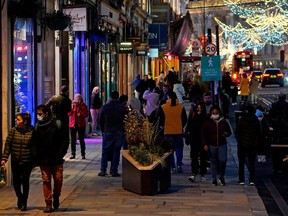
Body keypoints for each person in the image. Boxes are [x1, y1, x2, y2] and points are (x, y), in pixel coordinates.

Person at [33, 104, 68, 213]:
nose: (38, 116)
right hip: (43, 159)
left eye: (40, 114)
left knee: (58, 180)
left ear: (46, 114)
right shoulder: (38, 126)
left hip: (56, 158)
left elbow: (65, 140)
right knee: (46, 180)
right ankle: (48, 203)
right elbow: (34, 142)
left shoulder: (57, 124)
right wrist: (37, 155)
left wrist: (60, 154)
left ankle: (56, 195)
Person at [1, 113, 34, 211]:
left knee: (25, 181)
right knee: (16, 182)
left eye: (18, 119)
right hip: (15, 161)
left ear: (25, 121)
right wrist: (4, 158)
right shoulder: (13, 131)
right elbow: (8, 145)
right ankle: (19, 196)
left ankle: (24, 202)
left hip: (27, 161)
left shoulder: (32, 131)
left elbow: (35, 147)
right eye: (16, 119)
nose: (16, 121)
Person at [98, 91, 127, 177]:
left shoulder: (105, 107)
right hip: (118, 131)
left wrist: (103, 129)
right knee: (116, 151)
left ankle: (103, 170)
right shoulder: (122, 108)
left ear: (110, 97)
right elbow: (125, 120)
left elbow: (100, 120)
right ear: (118, 97)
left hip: (108, 131)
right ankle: (114, 170)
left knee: (105, 151)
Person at [201, 105, 231, 186]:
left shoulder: (224, 122)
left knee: (223, 160)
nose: (215, 114)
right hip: (211, 145)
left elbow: (229, 132)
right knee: (213, 162)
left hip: (222, 144)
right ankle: (214, 179)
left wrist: (226, 133)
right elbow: (203, 134)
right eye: (213, 113)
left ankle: (221, 176)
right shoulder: (207, 122)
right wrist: (205, 144)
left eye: (216, 113)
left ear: (219, 113)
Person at [159, 91, 187, 173]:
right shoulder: (181, 107)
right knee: (179, 148)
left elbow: (161, 119)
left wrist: (163, 126)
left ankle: (173, 167)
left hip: (167, 131)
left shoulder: (163, 107)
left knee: (170, 150)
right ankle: (179, 165)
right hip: (178, 131)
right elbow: (184, 119)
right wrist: (181, 126)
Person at [235, 104, 260, 186]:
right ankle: (251, 180)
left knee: (241, 162)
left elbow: (237, 131)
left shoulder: (242, 120)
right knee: (252, 163)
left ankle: (241, 179)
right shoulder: (256, 120)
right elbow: (259, 132)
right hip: (252, 144)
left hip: (242, 144)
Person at [185, 102, 207, 182]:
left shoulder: (205, 117)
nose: (199, 109)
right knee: (194, 157)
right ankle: (194, 173)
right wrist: (187, 136)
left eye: (200, 107)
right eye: (198, 107)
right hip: (194, 139)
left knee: (203, 157)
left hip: (202, 140)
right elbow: (189, 125)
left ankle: (202, 173)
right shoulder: (193, 115)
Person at [68, 94, 89, 159]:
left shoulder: (83, 105)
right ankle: (73, 154)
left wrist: (80, 110)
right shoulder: (72, 105)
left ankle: (83, 154)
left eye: (79, 99)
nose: (78, 100)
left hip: (81, 125)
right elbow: (69, 114)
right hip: (73, 124)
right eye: (77, 98)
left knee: (81, 139)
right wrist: (72, 110)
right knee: (73, 140)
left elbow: (86, 114)